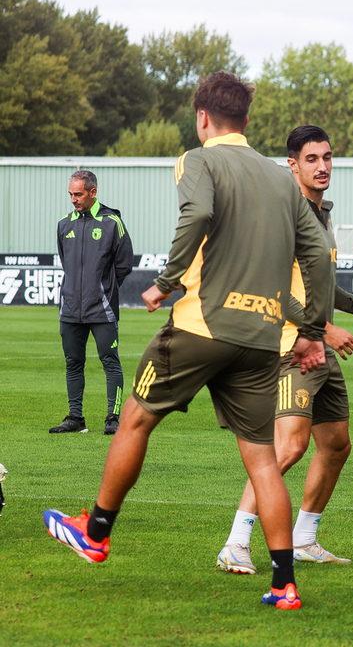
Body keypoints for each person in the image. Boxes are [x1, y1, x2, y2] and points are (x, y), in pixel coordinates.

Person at [43, 72, 332, 611]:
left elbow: (197, 213)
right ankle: (283, 583)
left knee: (134, 418)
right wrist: (312, 330)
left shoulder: (198, 160)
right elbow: (314, 253)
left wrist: (168, 280)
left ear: (203, 118)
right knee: (262, 459)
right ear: (246, 121)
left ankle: (96, 533)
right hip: (263, 337)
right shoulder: (279, 178)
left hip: (202, 326)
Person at [217, 125, 353, 575]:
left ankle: (304, 539)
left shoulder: (321, 214)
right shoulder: (280, 213)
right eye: (312, 159)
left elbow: (319, 281)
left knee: (336, 444)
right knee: (287, 448)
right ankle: (235, 543)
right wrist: (324, 329)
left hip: (318, 347)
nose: (323, 166)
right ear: (292, 165)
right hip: (289, 348)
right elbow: (270, 283)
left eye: (328, 157)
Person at [50, 170, 133, 436]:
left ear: (93, 193)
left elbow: (124, 264)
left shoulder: (112, 222)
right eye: (70, 194)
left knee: (110, 360)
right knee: (73, 362)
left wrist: (103, 290)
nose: (73, 199)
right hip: (71, 308)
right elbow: (67, 263)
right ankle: (75, 417)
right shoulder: (64, 224)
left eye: (78, 194)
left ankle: (113, 417)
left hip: (102, 308)